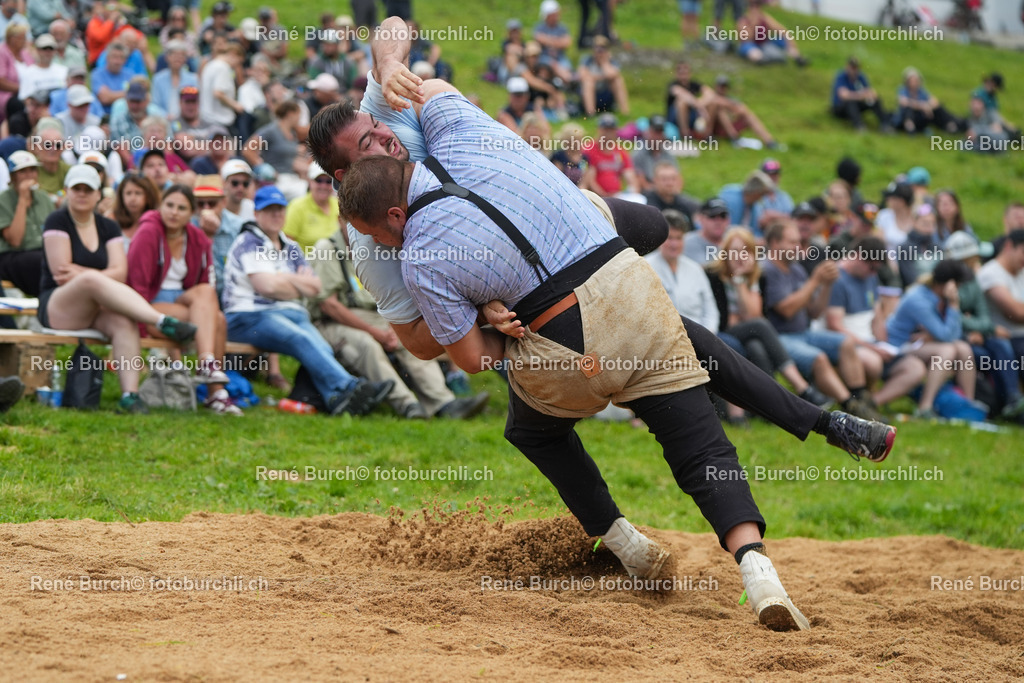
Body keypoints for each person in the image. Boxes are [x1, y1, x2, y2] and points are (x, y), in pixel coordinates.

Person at [307, 20, 896, 478]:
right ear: (341, 177)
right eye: (364, 149)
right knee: (677, 335)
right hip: (534, 298)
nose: (381, 142)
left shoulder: (383, 114)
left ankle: (667, 394)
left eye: (373, 129)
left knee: (658, 228)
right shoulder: (370, 238)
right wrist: (475, 303)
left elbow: (392, 27)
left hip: (573, 224)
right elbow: (418, 340)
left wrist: (387, 62)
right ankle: (826, 423)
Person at [339, 89, 815, 632]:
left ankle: (625, 545)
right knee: (701, 446)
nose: (382, 244)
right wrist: (393, 67)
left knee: (534, 433)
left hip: (561, 347)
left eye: (378, 234)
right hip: (629, 293)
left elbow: (468, 360)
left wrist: (492, 322)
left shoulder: (417, 256)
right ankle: (758, 573)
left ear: (394, 214)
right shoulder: (471, 136)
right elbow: (419, 73)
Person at [221, 184, 393, 416]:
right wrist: (294, 282)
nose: (276, 215)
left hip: (290, 313)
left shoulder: (290, 246)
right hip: (247, 317)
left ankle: (337, 400)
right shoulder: (249, 241)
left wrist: (283, 280)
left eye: (279, 209)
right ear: (256, 213)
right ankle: (349, 386)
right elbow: (267, 286)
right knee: (299, 338)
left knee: (320, 344)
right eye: (269, 209)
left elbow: (315, 287)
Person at [39, 165, 197, 414]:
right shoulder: (56, 220)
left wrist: (83, 272)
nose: (81, 194)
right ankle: (163, 321)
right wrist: (97, 277)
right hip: (59, 307)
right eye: (76, 188)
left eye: (87, 189)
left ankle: (130, 396)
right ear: (67, 191)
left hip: (97, 308)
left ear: (98, 195)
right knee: (90, 282)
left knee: (124, 322)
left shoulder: (108, 227)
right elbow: (61, 274)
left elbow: (120, 273)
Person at [307, 225, 490, 420]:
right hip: (331, 323)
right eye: (351, 222)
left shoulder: (370, 247)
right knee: (367, 344)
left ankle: (444, 404)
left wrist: (395, 327)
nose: (358, 229)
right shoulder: (326, 248)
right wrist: (375, 332)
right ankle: (408, 405)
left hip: (373, 316)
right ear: (339, 220)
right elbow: (329, 306)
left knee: (410, 337)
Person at [126, 184, 241, 415]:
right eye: (169, 205)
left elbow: (203, 284)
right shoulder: (148, 232)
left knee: (210, 301)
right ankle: (215, 393)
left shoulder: (197, 238)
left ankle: (208, 368)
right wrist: (138, 326)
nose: (174, 212)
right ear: (160, 206)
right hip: (148, 307)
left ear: (191, 214)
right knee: (215, 320)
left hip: (181, 302)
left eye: (182, 208)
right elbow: (136, 285)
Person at [761, 221, 884, 421]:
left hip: (803, 333)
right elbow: (787, 310)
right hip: (779, 338)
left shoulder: (797, 271)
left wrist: (826, 285)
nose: (798, 247)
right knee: (818, 357)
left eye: (798, 242)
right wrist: (816, 280)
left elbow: (814, 312)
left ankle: (860, 397)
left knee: (845, 342)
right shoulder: (768, 270)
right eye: (792, 242)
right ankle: (849, 406)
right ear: (774, 243)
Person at [708, 227, 833, 409]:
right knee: (760, 327)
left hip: (748, 332)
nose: (739, 256)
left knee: (756, 347)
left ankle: (768, 406)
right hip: (720, 333)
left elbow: (753, 316)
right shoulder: (714, 276)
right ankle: (802, 388)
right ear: (725, 252)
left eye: (745, 251)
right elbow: (731, 321)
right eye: (734, 251)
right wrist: (739, 287)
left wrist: (741, 280)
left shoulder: (756, 276)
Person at [824, 236, 928, 410]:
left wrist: (884, 344)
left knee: (915, 368)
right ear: (857, 256)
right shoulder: (837, 279)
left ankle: (871, 404)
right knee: (873, 362)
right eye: (871, 267)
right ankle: (858, 402)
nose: (874, 273)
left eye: (877, 269)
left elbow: (877, 316)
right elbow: (834, 326)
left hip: (871, 344)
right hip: (848, 345)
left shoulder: (871, 278)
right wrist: (874, 348)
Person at [945, 232, 1024, 420]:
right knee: (985, 355)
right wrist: (972, 329)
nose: (970, 264)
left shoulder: (972, 281)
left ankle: (1012, 399)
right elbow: (950, 318)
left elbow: (984, 317)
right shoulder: (945, 282)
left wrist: (978, 328)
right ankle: (999, 405)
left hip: (979, 335)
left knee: (1000, 346)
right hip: (954, 338)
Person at [885, 260, 976, 420]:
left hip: (919, 345)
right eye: (959, 284)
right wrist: (954, 305)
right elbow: (947, 336)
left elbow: (955, 335)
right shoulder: (918, 299)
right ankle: (925, 407)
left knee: (963, 348)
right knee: (947, 350)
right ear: (949, 284)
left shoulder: (940, 297)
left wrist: (934, 335)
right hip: (898, 347)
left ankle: (967, 404)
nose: (960, 289)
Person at [0, 151, 53, 296]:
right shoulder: (3, 200)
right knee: (40, 262)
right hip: (13, 256)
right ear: (13, 176)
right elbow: (15, 241)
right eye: (23, 171)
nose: (29, 175)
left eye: (32, 170)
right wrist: (22, 200)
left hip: (41, 253)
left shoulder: (44, 198)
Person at [977, 230, 1024, 376]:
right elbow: (1016, 313)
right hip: (1007, 338)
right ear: (1009, 246)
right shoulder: (990, 273)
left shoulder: (1021, 271)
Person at [243, 100, 308, 200]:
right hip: (277, 181)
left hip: (293, 179)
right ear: (291, 114)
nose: (299, 119)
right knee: (306, 193)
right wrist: (262, 167)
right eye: (298, 115)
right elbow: (248, 149)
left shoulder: (293, 134)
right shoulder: (271, 131)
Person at [283, 162, 340, 251]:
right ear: (309, 181)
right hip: (308, 262)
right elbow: (287, 243)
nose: (323, 186)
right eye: (319, 180)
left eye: (328, 181)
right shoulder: (297, 207)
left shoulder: (339, 204)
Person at [735, 0, 808, 66]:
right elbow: (747, 38)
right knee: (749, 47)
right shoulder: (743, 21)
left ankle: (797, 56)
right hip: (750, 44)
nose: (756, 9)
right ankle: (760, 59)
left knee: (781, 39)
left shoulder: (764, 18)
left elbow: (781, 30)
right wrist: (754, 24)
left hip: (764, 43)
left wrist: (791, 42)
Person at [581, 113, 637, 196]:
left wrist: (633, 190)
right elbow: (588, 179)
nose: (608, 133)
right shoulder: (588, 149)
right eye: (605, 129)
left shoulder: (620, 151)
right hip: (594, 196)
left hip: (617, 196)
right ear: (599, 129)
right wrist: (605, 196)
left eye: (611, 129)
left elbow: (630, 175)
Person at [894, 67, 961, 135]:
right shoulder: (903, 90)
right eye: (912, 80)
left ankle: (950, 124)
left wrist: (928, 107)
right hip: (905, 118)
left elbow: (935, 102)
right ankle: (911, 130)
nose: (914, 83)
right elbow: (903, 102)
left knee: (938, 109)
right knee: (908, 110)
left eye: (916, 80)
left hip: (920, 117)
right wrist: (922, 106)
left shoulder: (921, 91)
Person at [831, 57, 889, 132]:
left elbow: (871, 92)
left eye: (856, 67)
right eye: (852, 67)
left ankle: (885, 125)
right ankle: (859, 126)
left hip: (856, 105)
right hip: (840, 108)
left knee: (875, 101)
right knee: (850, 102)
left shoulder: (861, 77)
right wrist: (861, 96)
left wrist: (870, 95)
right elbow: (844, 96)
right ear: (847, 66)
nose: (854, 70)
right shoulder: (841, 76)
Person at [577, 36, 629, 117]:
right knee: (588, 82)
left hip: (606, 95)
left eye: (602, 48)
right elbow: (582, 75)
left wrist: (604, 63)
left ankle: (625, 112)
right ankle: (591, 113)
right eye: (597, 48)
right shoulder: (587, 60)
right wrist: (601, 77)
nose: (599, 51)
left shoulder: (611, 61)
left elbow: (613, 74)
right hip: (590, 94)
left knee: (617, 81)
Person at [108, 171, 160, 245]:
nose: (133, 198)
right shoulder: (111, 219)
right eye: (128, 193)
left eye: (138, 193)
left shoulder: (157, 221)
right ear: (121, 196)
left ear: (149, 196)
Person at [718, 170, 775, 237]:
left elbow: (754, 230)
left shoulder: (754, 206)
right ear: (756, 192)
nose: (762, 198)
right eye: (762, 194)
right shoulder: (732, 199)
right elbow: (729, 230)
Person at [18, 34, 67, 100]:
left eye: (51, 48)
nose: (48, 52)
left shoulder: (64, 70)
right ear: (37, 50)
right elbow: (25, 98)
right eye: (44, 48)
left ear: (55, 51)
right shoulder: (28, 73)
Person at [684, 198, 729, 265]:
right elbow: (706, 270)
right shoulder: (688, 242)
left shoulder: (736, 239)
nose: (718, 221)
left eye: (723, 216)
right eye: (712, 216)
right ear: (701, 218)